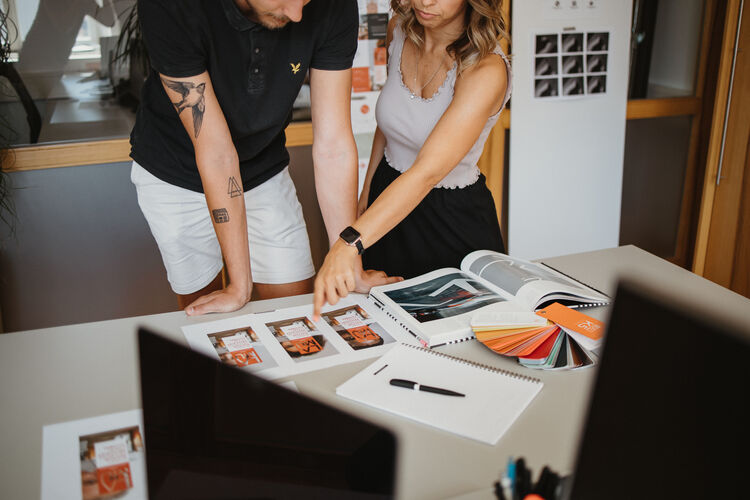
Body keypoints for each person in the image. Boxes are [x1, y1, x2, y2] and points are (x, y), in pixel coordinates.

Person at [130, 0, 399, 316]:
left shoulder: (331, 4)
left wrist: (349, 262)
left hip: (263, 168)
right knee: (205, 315)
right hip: (175, 173)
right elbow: (216, 152)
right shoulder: (171, 7)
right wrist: (239, 285)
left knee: (294, 310)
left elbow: (334, 145)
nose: (298, 14)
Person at [313, 0, 511, 318]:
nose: (423, 2)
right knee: (382, 327)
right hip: (388, 203)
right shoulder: (401, 30)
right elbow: (390, 126)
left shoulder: (486, 69)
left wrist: (347, 242)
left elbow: (427, 172)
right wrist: (365, 197)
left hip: (450, 219)